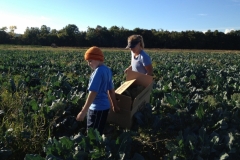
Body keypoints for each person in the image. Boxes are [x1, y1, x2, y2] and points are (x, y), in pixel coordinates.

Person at [76, 46, 120, 135]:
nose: (89, 64)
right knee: (98, 131)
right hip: (104, 108)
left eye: (90, 61)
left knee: (92, 135)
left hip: (96, 109)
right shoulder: (107, 70)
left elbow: (93, 93)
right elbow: (111, 90)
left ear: (98, 59)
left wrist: (83, 111)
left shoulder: (98, 72)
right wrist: (114, 105)